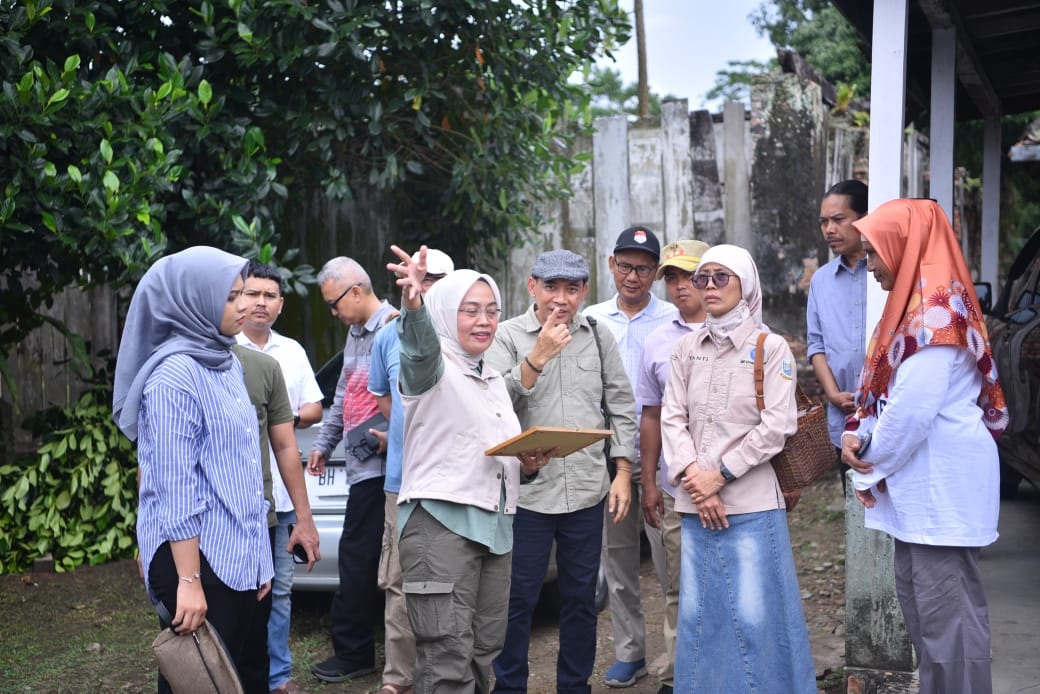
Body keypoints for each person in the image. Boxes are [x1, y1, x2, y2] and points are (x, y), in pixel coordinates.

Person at [841, 198, 1007, 693]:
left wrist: (864, 460)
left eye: (873, 253)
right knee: (930, 624)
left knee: (949, 629)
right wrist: (865, 438)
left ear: (903, 247)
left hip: (942, 493)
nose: (868, 266)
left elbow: (911, 413)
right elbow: (899, 403)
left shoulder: (936, 319)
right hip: (924, 491)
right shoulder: (922, 310)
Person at [385, 245, 549, 693]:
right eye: (470, 311)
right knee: (445, 657)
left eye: (492, 311)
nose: (484, 321)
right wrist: (414, 303)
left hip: (495, 529)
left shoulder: (493, 378)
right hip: (441, 527)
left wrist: (527, 465)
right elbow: (417, 347)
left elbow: (487, 452)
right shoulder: (430, 370)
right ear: (443, 312)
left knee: (483, 653)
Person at [112, 246, 274, 692]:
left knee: (239, 677)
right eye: (230, 297)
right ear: (193, 301)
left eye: (243, 293)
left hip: (236, 554)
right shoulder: (171, 379)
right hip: (198, 557)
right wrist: (188, 581)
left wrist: (259, 558)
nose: (244, 305)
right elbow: (175, 487)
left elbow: (242, 468)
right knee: (200, 682)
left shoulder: (224, 362)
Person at [660, 244, 816, 693]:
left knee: (755, 617)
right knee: (699, 614)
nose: (706, 287)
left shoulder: (771, 348)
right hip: (696, 504)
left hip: (749, 506)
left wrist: (719, 477)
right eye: (701, 278)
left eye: (719, 278)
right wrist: (698, 483)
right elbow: (672, 417)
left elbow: (777, 426)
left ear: (745, 285)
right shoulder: (686, 348)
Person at [487, 249, 638, 694]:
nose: (561, 299)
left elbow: (621, 406)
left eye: (571, 289)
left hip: (588, 492)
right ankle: (508, 686)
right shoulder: (507, 336)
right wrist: (538, 356)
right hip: (528, 494)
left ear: (584, 292)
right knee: (517, 599)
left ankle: (575, 686)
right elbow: (493, 406)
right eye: (551, 287)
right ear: (532, 286)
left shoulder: (598, 335)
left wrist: (624, 472)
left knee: (581, 600)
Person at [583, 226, 673, 689]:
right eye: (624, 265)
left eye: (642, 268)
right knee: (617, 561)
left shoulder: (675, 319)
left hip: (664, 458)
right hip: (610, 455)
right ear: (611, 265)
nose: (632, 276)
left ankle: (677, 656)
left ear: (656, 273)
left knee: (668, 558)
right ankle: (630, 652)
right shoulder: (593, 319)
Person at [368, 247, 454, 694]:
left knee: (450, 579)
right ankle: (397, 681)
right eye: (420, 278)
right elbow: (386, 401)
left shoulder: (468, 331)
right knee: (400, 583)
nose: (425, 286)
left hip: (457, 481)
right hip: (402, 480)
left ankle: (445, 676)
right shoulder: (388, 336)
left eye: (436, 279)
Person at [237, 260, 324, 694]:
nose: (260, 302)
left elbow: (315, 409)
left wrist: (279, 416)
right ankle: (238, 675)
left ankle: (278, 677)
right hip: (241, 495)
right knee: (242, 593)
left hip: (284, 497)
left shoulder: (290, 352)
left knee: (281, 594)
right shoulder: (223, 346)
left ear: (281, 304)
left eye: (269, 295)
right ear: (238, 297)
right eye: (252, 293)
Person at [309, 257, 397, 683]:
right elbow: (343, 394)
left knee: (361, 559)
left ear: (356, 292)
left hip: (388, 468)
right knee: (359, 557)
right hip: (363, 467)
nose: (333, 312)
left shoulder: (395, 328)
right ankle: (356, 652)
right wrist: (325, 444)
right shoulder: (356, 334)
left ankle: (355, 655)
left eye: (333, 303)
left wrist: (385, 437)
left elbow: (410, 400)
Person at [634, 239, 710, 694]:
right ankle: (680, 677)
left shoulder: (745, 332)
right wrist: (648, 481)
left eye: (692, 275)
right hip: (679, 487)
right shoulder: (659, 340)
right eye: (673, 277)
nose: (682, 286)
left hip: (736, 486)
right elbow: (651, 415)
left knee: (737, 587)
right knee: (681, 588)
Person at [806, 179, 869, 492]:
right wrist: (831, 393)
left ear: (864, 218)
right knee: (855, 502)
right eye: (824, 222)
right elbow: (815, 344)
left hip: (888, 413)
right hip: (843, 414)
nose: (829, 229)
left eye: (838, 219)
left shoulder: (886, 273)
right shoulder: (821, 281)